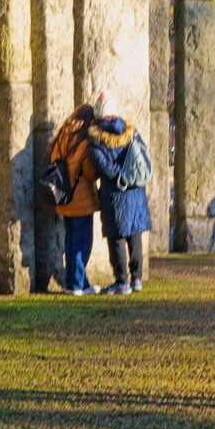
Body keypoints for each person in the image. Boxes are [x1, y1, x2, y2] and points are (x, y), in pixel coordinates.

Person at [87, 91, 152, 296]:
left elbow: (105, 168)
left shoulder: (97, 140)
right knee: (135, 235)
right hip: (136, 191)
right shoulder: (131, 132)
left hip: (115, 194)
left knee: (117, 239)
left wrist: (120, 176)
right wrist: (131, 177)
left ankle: (121, 281)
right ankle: (137, 278)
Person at [47, 103, 101, 295]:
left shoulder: (62, 135)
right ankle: (76, 285)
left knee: (70, 242)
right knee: (82, 244)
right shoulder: (84, 142)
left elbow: (53, 158)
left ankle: (78, 283)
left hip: (64, 197)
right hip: (81, 199)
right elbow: (89, 172)